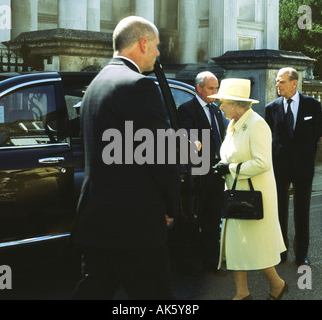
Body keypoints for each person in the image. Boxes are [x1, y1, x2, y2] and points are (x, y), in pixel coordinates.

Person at [71, 16, 180, 300]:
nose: (158, 53)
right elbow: (162, 155)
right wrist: (171, 205)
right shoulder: (139, 86)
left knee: (94, 291)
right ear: (143, 44)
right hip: (136, 224)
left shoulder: (96, 84)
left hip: (97, 219)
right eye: (156, 46)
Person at [211, 78, 287, 300]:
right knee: (236, 246)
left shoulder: (257, 124)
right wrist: (224, 166)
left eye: (222, 102)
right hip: (236, 194)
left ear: (235, 104)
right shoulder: (234, 124)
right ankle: (242, 293)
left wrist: (231, 168)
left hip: (254, 197)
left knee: (255, 248)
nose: (220, 106)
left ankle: (277, 284)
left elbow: (263, 162)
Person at [265, 67, 322, 265]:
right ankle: (280, 251)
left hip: (303, 168)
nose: (277, 85)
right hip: (279, 168)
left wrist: (305, 156)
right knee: (279, 211)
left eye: (281, 81)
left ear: (294, 82)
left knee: (302, 211)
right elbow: (269, 138)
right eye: (277, 82)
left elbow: (318, 134)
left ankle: (301, 254)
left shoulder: (313, 105)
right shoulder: (271, 108)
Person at [177, 71, 227, 273]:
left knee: (214, 218)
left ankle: (211, 262)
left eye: (216, 88)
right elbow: (184, 131)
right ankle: (187, 264)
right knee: (193, 218)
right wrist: (192, 139)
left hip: (216, 170)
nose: (215, 92)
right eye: (211, 88)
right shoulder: (187, 109)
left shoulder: (216, 110)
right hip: (197, 173)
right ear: (199, 88)